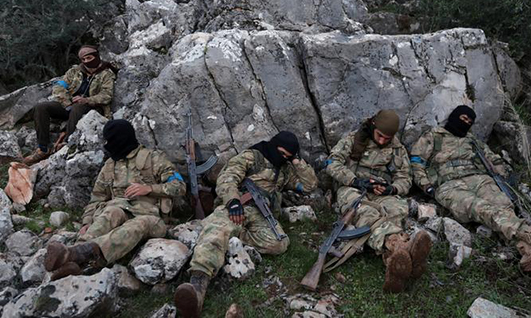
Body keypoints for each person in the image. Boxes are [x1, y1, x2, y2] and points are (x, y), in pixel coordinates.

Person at [410, 105, 531, 273]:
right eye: (462, 118)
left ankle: (530, 253)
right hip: (448, 185)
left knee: (504, 205)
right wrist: (426, 186)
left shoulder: (472, 141)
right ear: (454, 117)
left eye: (469, 121)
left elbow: (492, 159)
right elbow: (416, 162)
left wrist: (503, 175)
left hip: (479, 179)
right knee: (483, 209)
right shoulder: (433, 136)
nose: (465, 123)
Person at [174, 131, 318, 318]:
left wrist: (297, 161)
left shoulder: (285, 169)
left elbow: (309, 185)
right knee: (218, 231)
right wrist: (233, 201)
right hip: (238, 206)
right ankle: (197, 287)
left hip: (261, 214)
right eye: (282, 153)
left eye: (289, 156)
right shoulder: (253, 157)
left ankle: (229, 236)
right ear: (274, 146)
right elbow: (228, 177)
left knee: (279, 244)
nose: (284, 158)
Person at [43, 119, 186, 279]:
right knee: (111, 212)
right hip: (119, 209)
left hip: (151, 217)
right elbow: (96, 199)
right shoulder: (110, 166)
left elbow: (179, 186)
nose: (107, 145)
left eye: (110, 141)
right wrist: (87, 222)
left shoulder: (154, 159)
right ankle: (73, 257)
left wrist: (149, 189)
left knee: (138, 224)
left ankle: (80, 255)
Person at [325, 109, 432, 293]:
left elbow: (405, 178)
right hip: (353, 188)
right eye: (380, 136)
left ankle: (394, 259)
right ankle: (402, 248)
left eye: (387, 138)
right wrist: (355, 181)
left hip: (382, 191)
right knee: (366, 214)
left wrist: (392, 188)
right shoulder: (353, 139)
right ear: (373, 126)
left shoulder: (397, 149)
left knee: (397, 210)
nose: (383, 141)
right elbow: (332, 163)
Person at [23, 45, 116, 165]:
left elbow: (107, 94)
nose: (87, 61)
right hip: (69, 104)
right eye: (84, 59)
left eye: (89, 57)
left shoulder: (106, 73)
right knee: (41, 107)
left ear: (96, 56)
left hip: (92, 106)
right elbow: (59, 86)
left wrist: (87, 100)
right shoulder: (74, 71)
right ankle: (43, 148)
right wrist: (67, 102)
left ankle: (67, 144)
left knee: (78, 107)